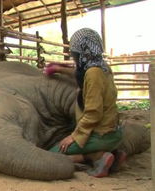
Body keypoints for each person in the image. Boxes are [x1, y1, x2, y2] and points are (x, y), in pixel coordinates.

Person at [45, 28, 125, 178]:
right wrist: (59, 69)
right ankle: (113, 155)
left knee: (54, 154)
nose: (72, 55)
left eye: (74, 51)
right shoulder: (102, 67)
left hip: (101, 134)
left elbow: (94, 113)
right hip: (113, 131)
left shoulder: (93, 73)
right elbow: (81, 74)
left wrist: (74, 136)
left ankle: (95, 156)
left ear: (82, 51)